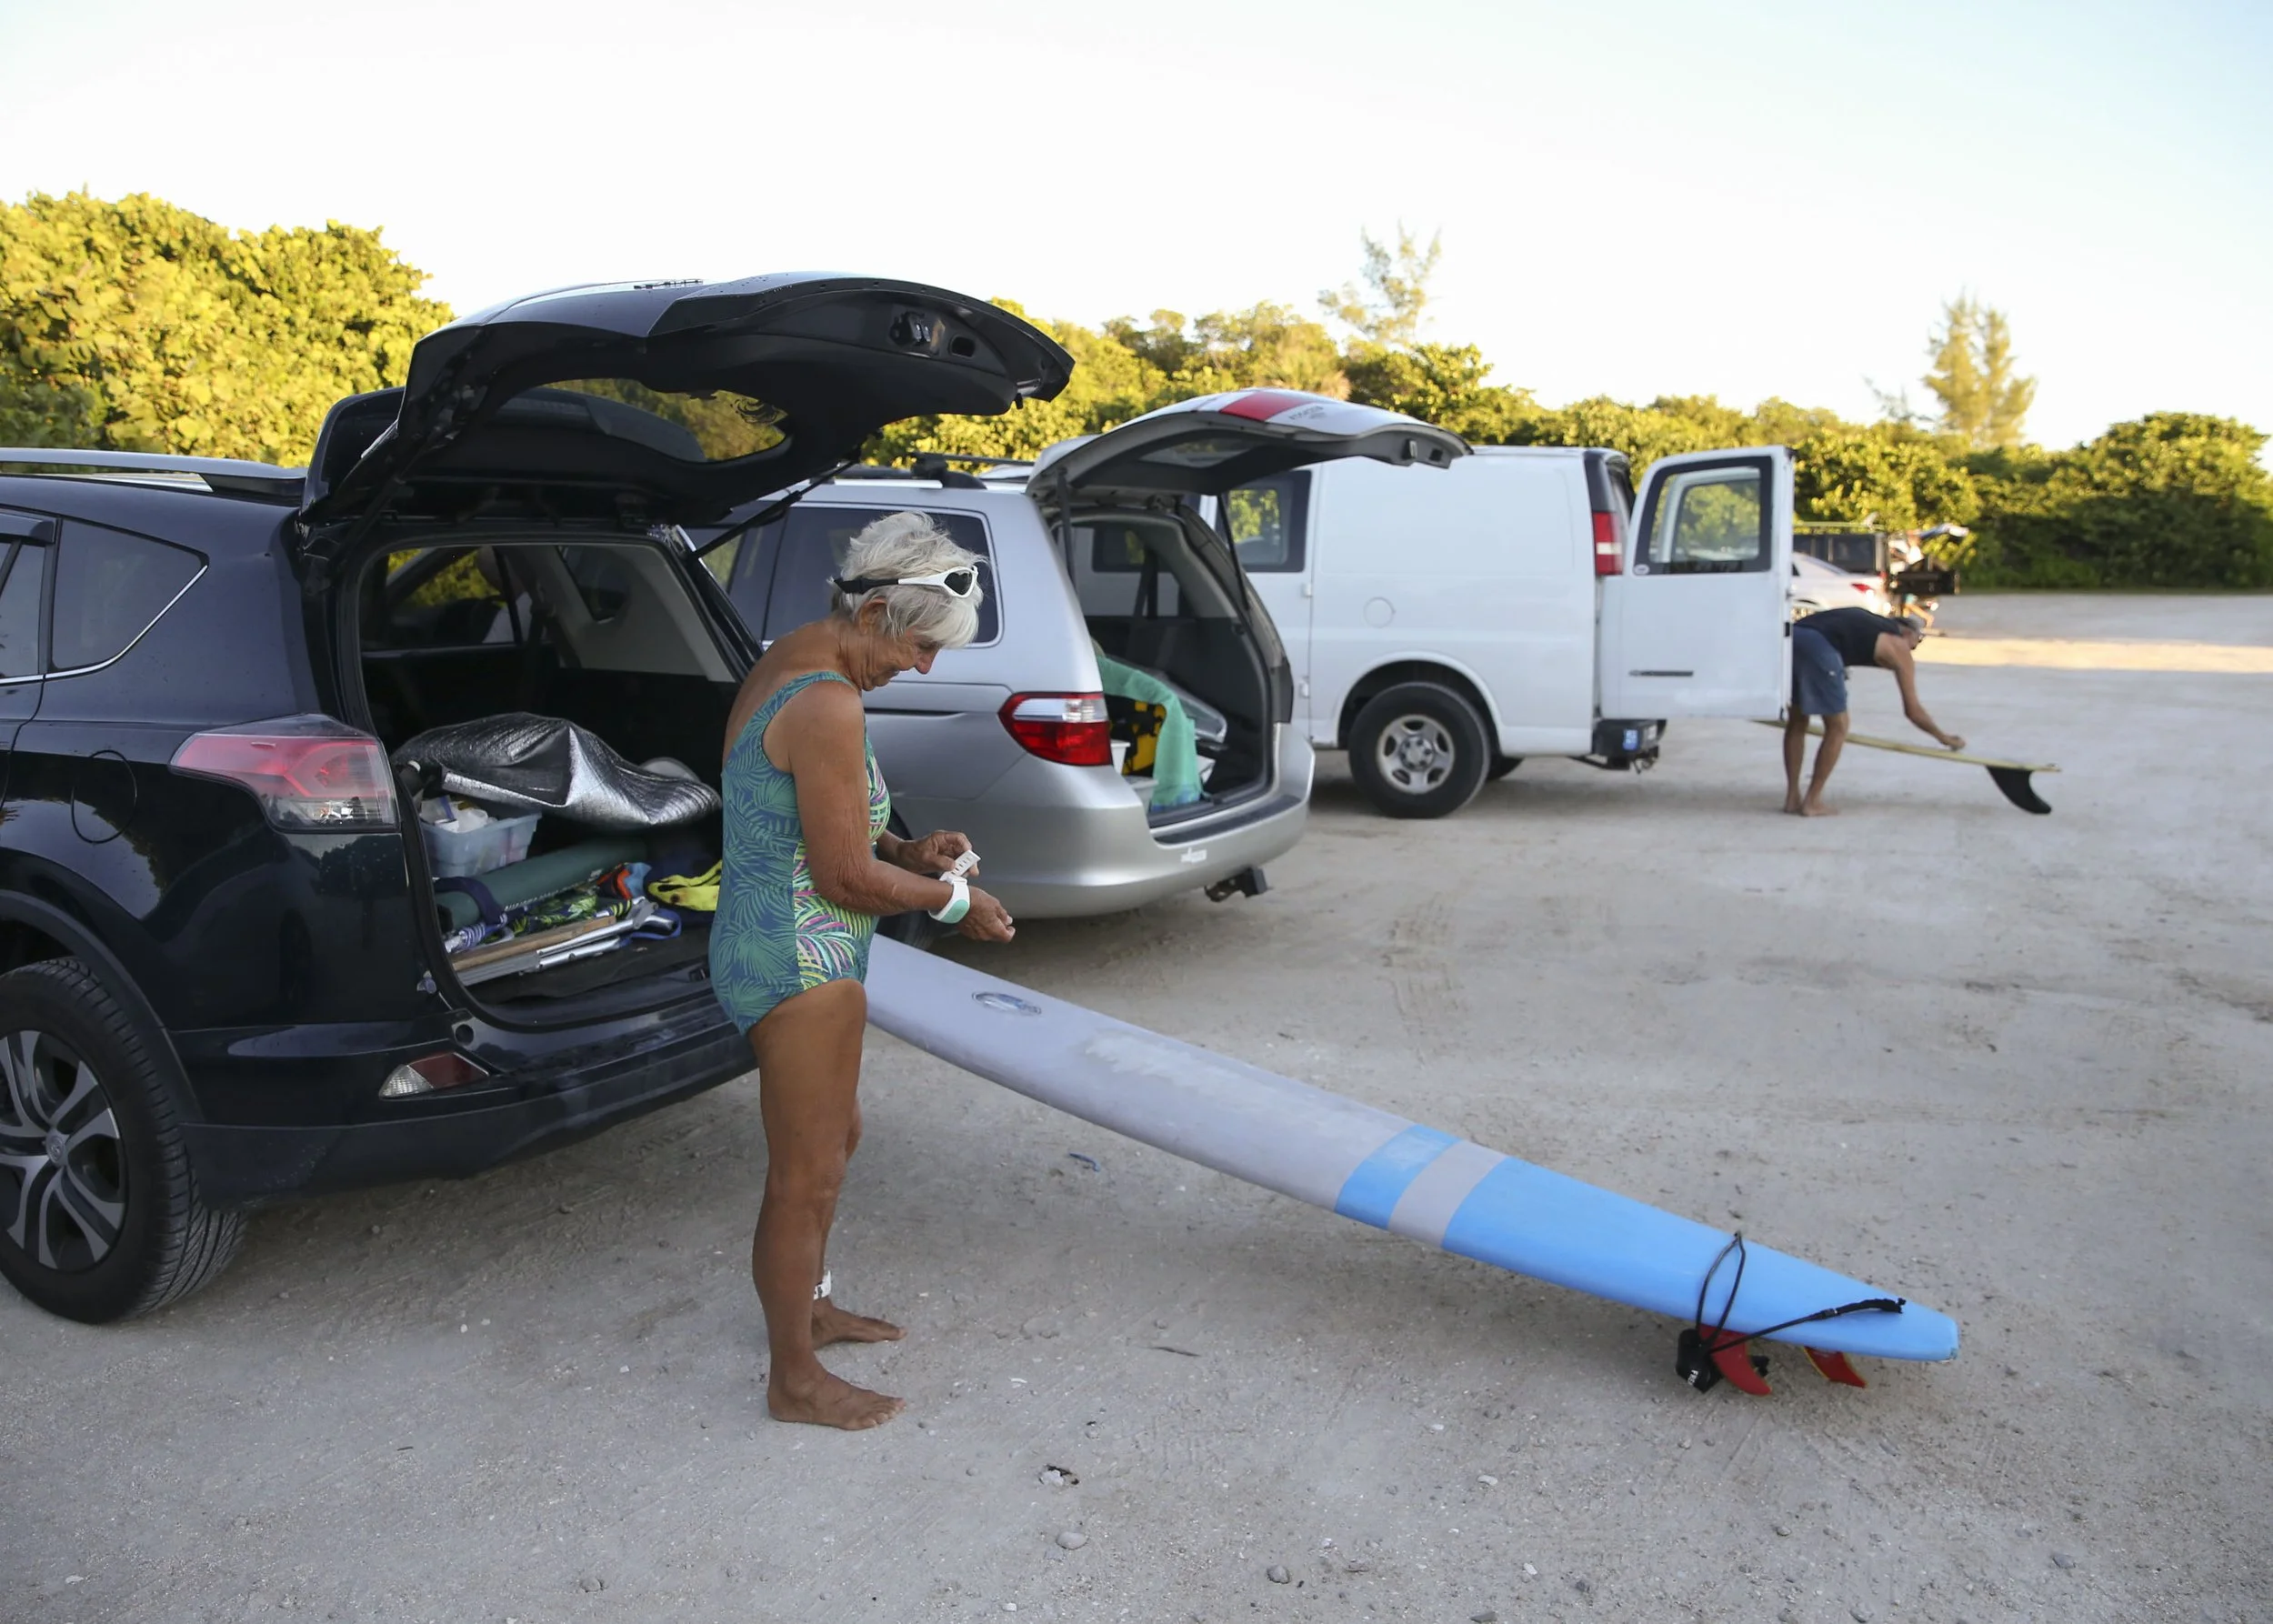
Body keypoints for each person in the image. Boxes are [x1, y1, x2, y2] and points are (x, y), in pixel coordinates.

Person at [712, 511, 1016, 1429]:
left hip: (789, 939)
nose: (922, 667)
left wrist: (914, 851)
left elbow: (837, 831)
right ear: (877, 607)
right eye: (920, 645)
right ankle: (792, 1375)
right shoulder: (828, 700)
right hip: (796, 957)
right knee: (803, 1173)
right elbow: (843, 876)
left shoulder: (803, 658)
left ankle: (808, 1306)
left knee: (834, 1143)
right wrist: (960, 904)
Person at [1784, 607, 1966, 817]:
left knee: (1797, 721)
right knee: (1838, 726)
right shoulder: (1897, 644)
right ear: (1907, 633)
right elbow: (1913, 710)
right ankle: (1812, 801)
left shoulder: (1869, 625)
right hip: (1819, 646)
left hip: (1791, 640)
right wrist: (1944, 738)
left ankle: (1792, 798)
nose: (1913, 650)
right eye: (1916, 643)